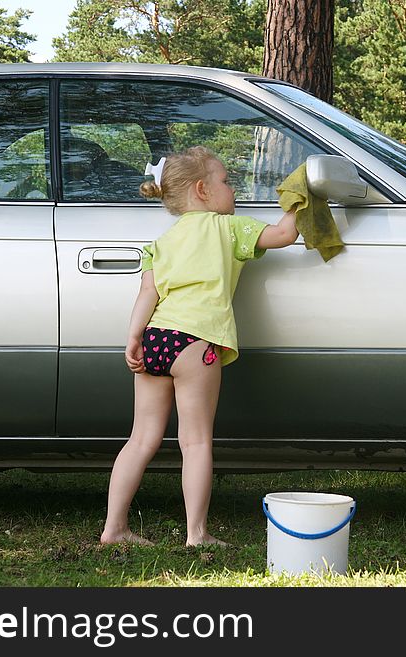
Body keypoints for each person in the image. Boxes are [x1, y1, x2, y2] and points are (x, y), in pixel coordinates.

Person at [100, 146, 299, 547]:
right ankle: (197, 534)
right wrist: (299, 198)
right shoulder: (229, 229)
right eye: (226, 181)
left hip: (156, 337)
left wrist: (134, 337)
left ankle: (114, 529)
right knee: (195, 442)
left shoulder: (163, 241)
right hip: (196, 341)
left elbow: (147, 293)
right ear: (202, 190)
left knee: (141, 439)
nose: (233, 188)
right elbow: (284, 234)